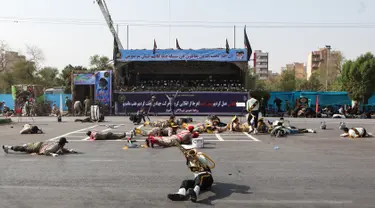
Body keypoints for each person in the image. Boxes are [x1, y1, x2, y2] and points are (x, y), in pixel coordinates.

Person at [2, 137, 77, 157]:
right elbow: (46, 151)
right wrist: (52, 154)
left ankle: (25, 145)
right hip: (38, 147)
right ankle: (7, 146)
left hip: (40, 144)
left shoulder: (58, 145)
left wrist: (69, 151)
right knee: (23, 149)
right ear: (63, 143)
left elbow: (62, 149)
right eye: (65, 143)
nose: (65, 145)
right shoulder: (56, 146)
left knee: (24, 147)